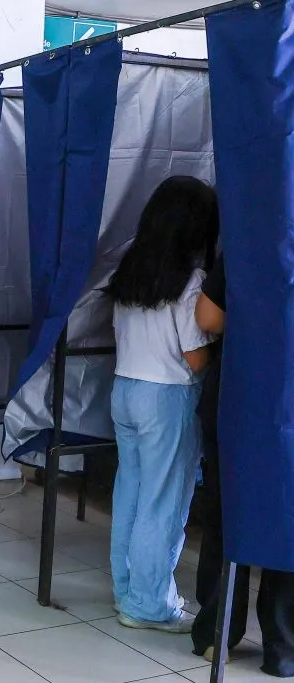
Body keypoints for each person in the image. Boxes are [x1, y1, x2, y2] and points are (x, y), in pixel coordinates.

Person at [104, 176, 219, 633]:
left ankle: (128, 591)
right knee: (163, 504)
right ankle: (149, 605)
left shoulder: (129, 272)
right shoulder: (190, 282)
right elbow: (195, 358)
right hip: (166, 398)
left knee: (130, 496)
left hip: (125, 390)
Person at [191, 254, 294, 677]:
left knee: (226, 513)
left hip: (240, 392)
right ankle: (283, 649)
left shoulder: (249, 240)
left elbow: (207, 316)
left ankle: (216, 635)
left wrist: (255, 321)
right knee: (288, 517)